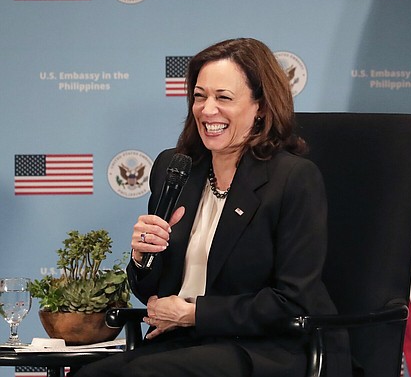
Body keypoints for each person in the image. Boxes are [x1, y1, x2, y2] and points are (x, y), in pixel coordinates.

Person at [76, 38, 350, 377]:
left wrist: (193, 314)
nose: (207, 110)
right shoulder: (175, 169)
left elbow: (290, 300)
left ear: (260, 106)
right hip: (185, 343)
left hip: (267, 348)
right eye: (200, 96)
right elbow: (151, 291)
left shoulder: (292, 179)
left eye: (223, 98)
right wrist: (142, 257)